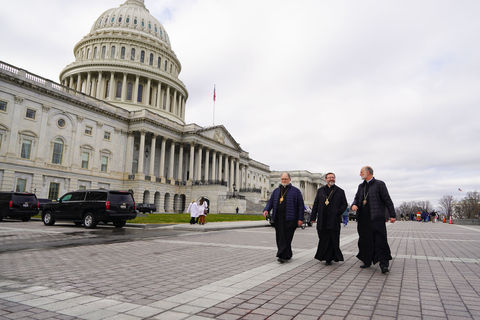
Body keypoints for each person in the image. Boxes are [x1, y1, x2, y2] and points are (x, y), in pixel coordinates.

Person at [351, 166, 396, 274]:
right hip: (363, 218)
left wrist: (392, 215)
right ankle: (367, 261)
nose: (360, 174)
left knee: (380, 240)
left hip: (376, 217)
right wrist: (354, 204)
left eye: (361, 172)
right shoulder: (361, 186)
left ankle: (384, 264)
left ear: (368, 172)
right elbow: (357, 198)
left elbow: (387, 200)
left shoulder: (379, 184)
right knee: (365, 240)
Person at [263, 172, 305, 263]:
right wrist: (266, 210)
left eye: (285, 179)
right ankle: (284, 255)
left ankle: (284, 254)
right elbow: (270, 203)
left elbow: (301, 206)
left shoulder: (296, 191)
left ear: (290, 179)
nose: (284, 180)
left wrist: (300, 219)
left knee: (287, 238)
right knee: (279, 237)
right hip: (278, 218)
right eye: (282, 179)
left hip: (291, 219)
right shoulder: (276, 191)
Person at [311, 172, 348, 265]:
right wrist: (313, 216)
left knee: (333, 238)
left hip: (334, 220)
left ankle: (330, 258)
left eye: (333, 177)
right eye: (329, 177)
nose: (331, 179)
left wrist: (337, 212)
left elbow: (344, 204)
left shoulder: (340, 191)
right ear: (326, 179)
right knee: (323, 238)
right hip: (322, 219)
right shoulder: (320, 191)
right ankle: (324, 256)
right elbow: (315, 204)